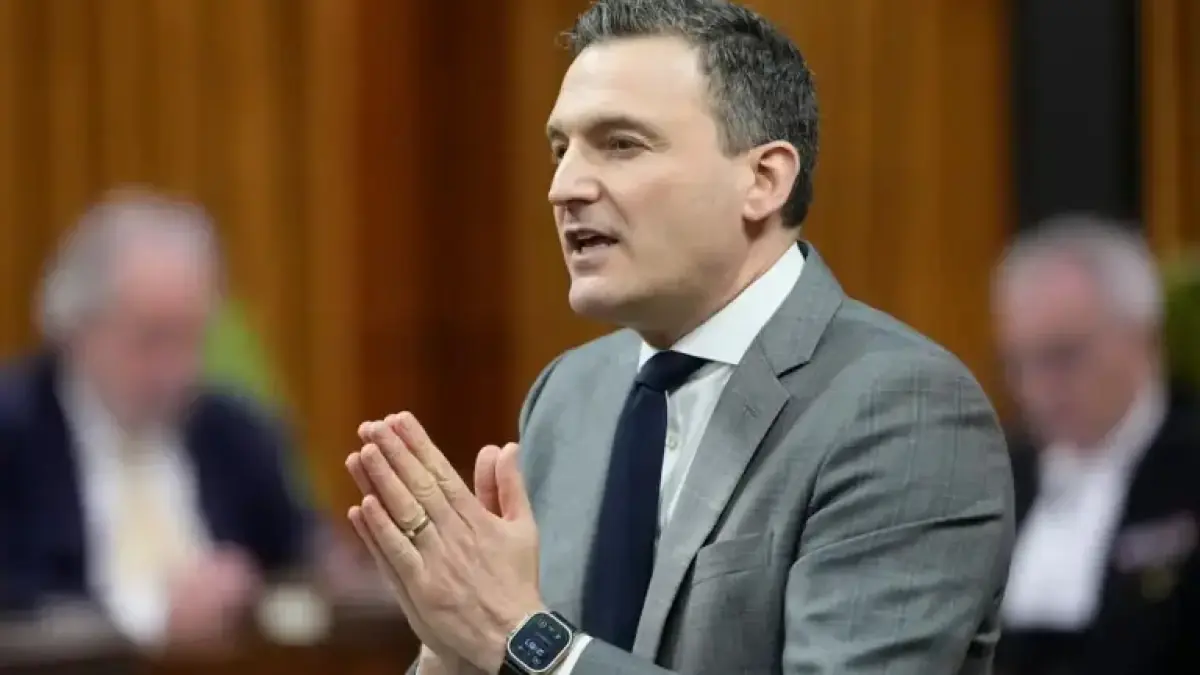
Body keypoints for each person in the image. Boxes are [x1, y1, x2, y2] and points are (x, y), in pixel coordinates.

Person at [346, 1, 1014, 674]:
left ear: (763, 179)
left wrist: (527, 642)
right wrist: (452, 650)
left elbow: (523, 640)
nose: (563, 187)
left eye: (620, 144)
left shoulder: (902, 407)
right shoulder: (568, 395)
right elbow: (496, 637)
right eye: (560, 149)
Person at [0, 189, 315, 650]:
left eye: (191, 339)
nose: (175, 371)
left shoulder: (236, 432)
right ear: (76, 327)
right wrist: (153, 621)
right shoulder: (13, 434)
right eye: (152, 339)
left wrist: (250, 595)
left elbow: (302, 567)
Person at [992, 216, 1200, 675]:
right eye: (1019, 364)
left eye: (1063, 356)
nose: (1038, 390)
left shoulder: (1189, 465)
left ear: (1142, 337)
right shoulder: (996, 476)